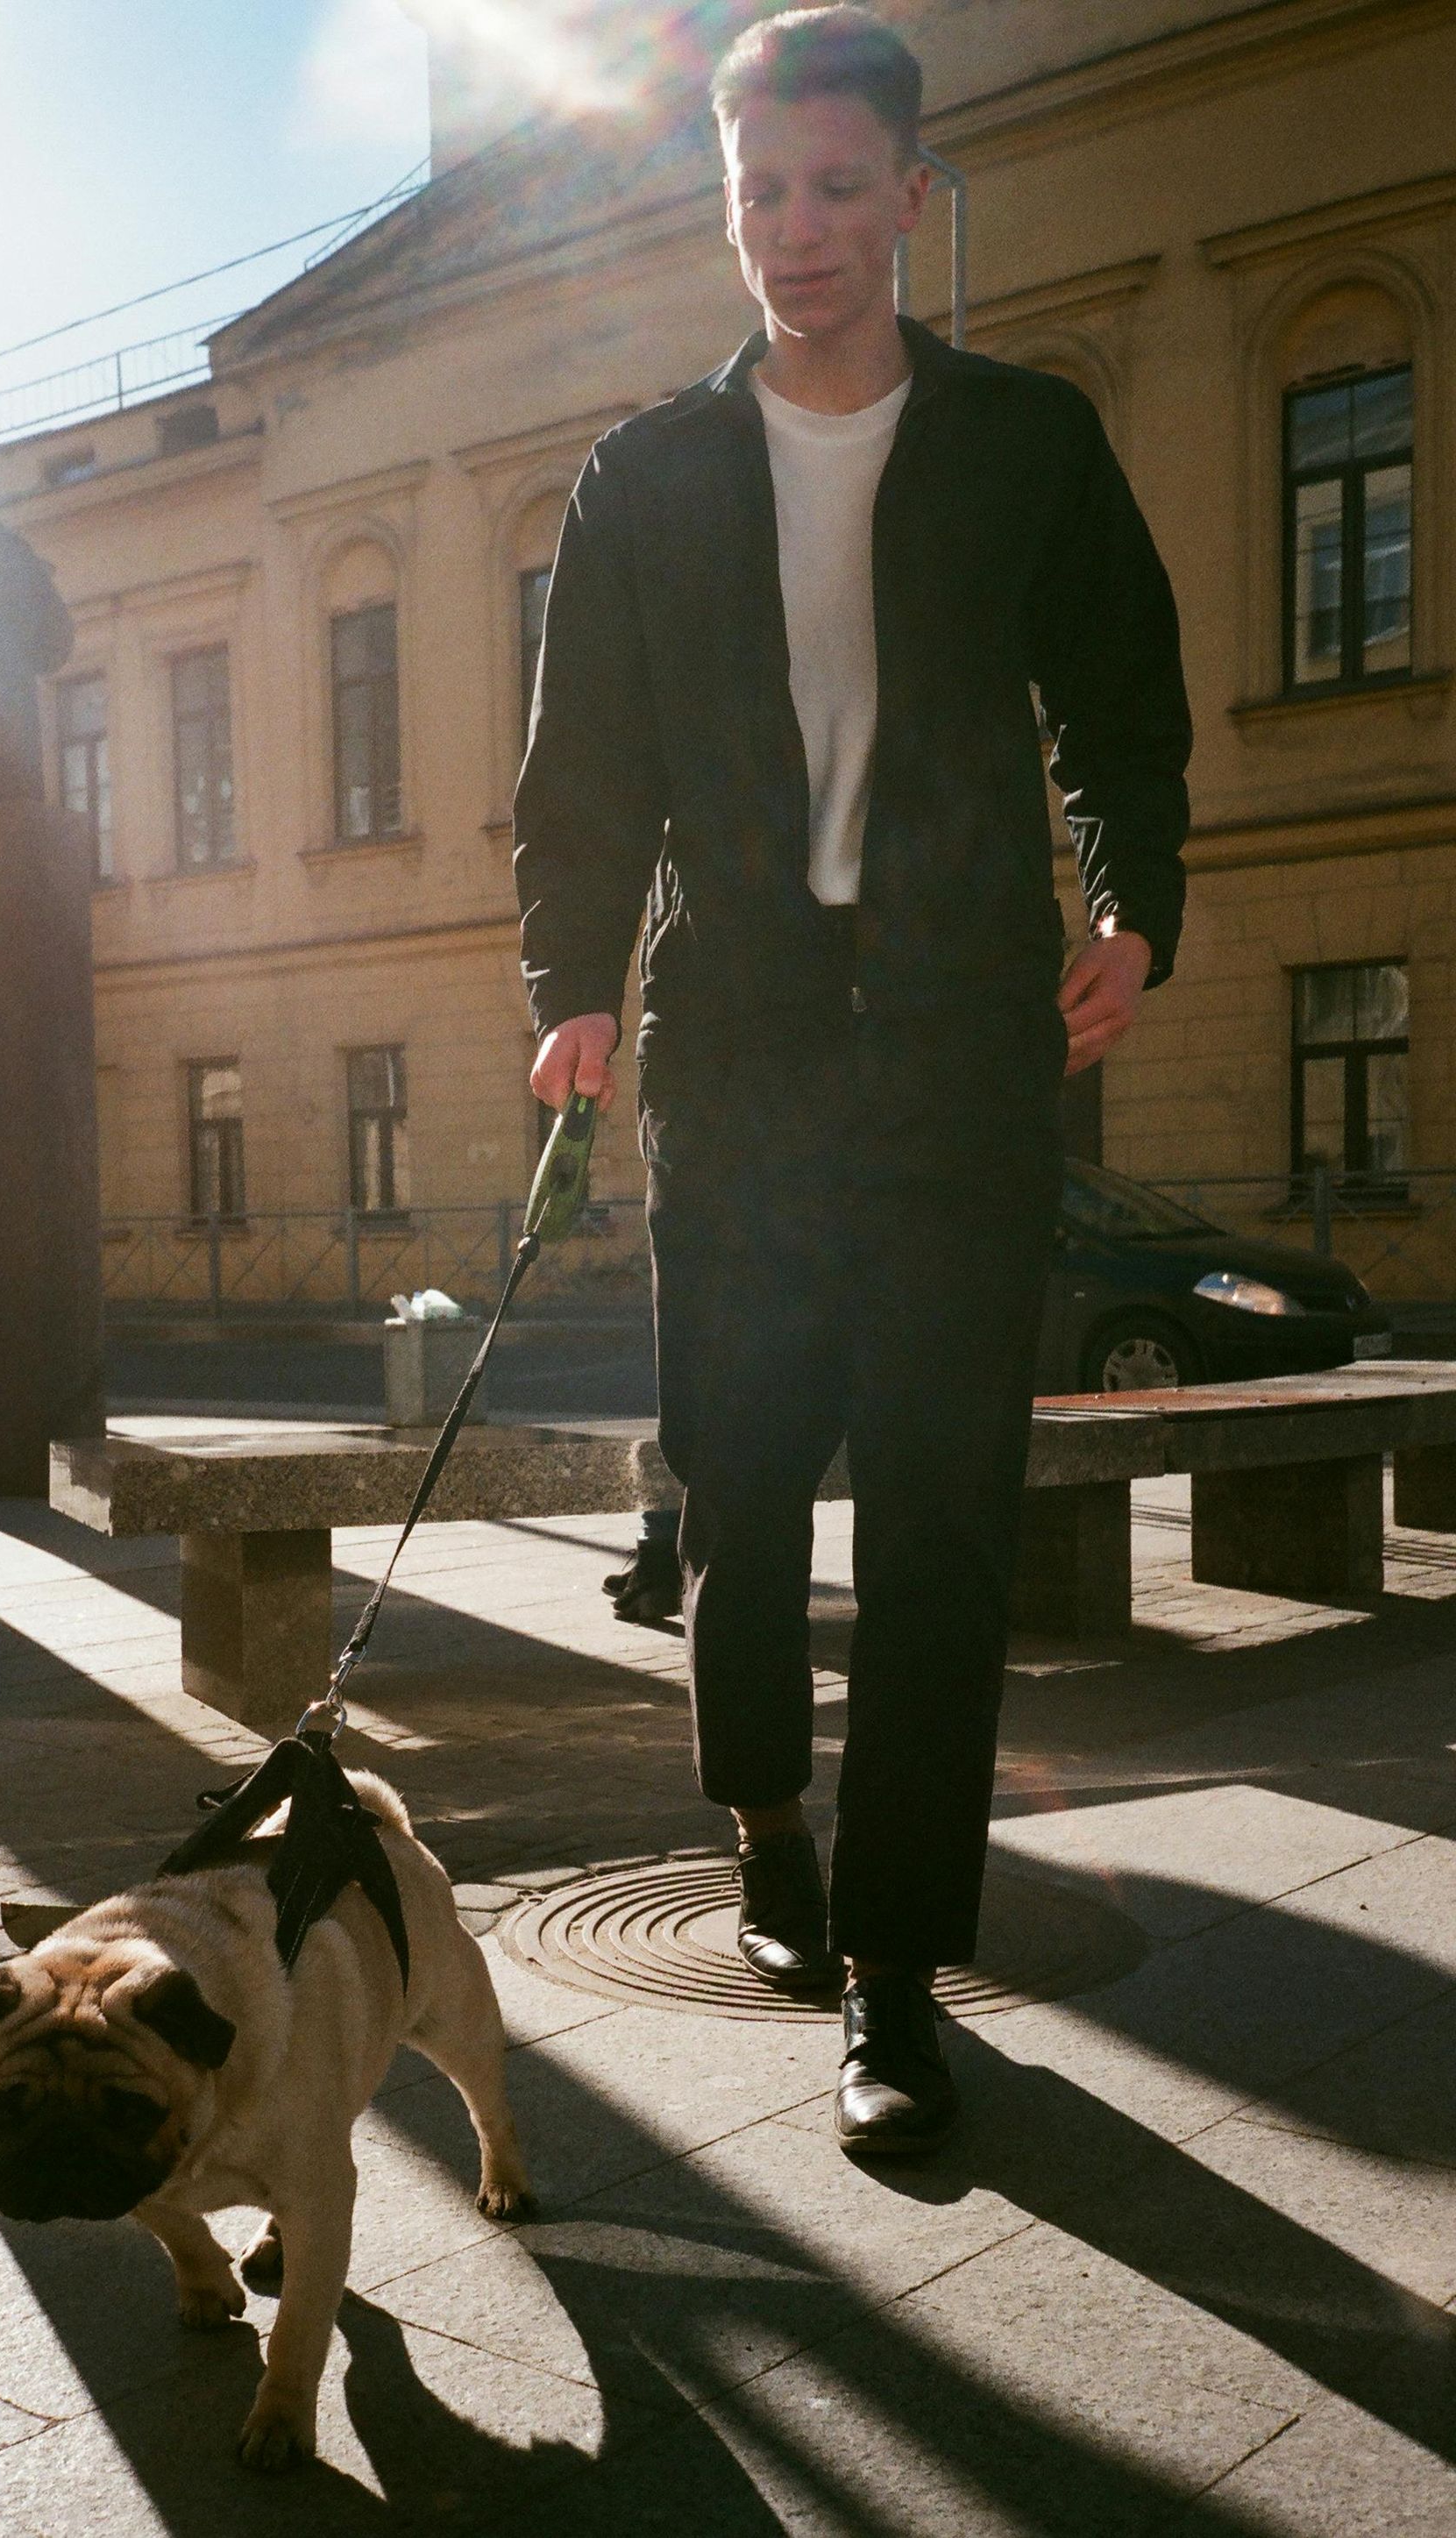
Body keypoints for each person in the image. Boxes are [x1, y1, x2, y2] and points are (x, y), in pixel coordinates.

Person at [517, 6, 1189, 2158]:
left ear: (910, 191)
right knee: (737, 1474)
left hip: (968, 1053)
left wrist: (1135, 900)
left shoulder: (1025, 444)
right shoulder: (648, 473)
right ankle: (762, 1819)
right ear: (722, 199)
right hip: (744, 1053)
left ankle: (899, 1974)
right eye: (756, 193)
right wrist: (571, 985)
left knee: (941, 1521)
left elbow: (1123, 699)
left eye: (832, 188)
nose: (792, 235)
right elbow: (582, 778)